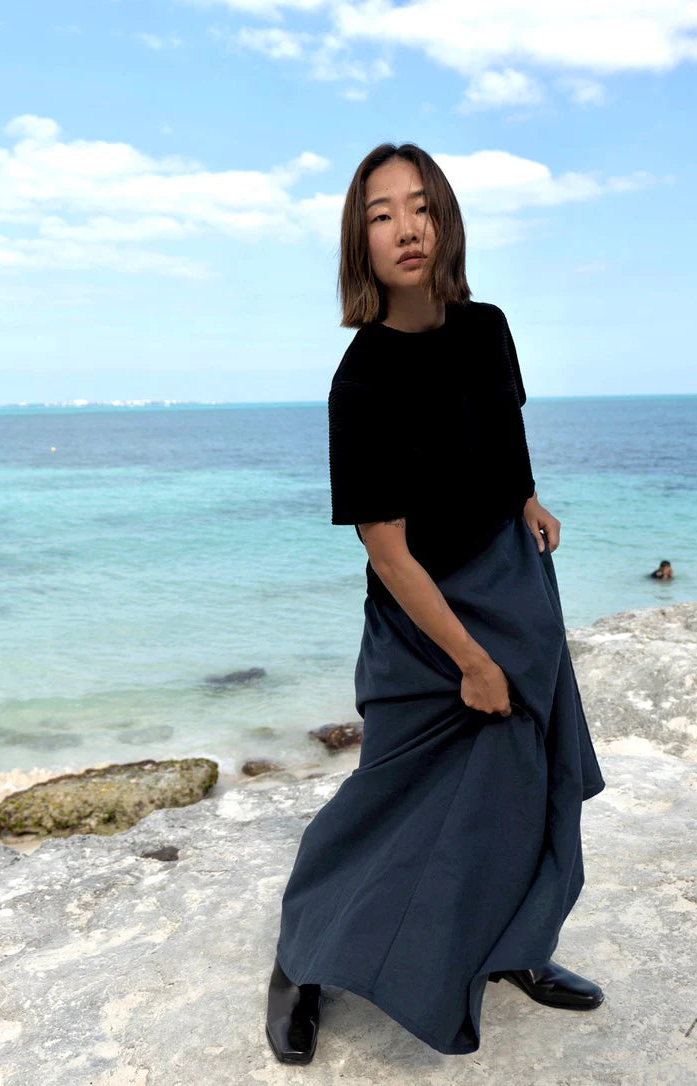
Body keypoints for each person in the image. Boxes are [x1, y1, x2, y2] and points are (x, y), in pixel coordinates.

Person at [265, 142, 606, 1064]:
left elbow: (506, 427)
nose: (406, 227)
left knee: (527, 789)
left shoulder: (490, 325)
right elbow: (387, 547)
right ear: (360, 243)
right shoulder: (362, 380)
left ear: (446, 220)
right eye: (381, 214)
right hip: (427, 627)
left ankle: (515, 948)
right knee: (387, 803)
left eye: (420, 207)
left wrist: (527, 498)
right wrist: (473, 662)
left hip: (513, 585)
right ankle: (303, 962)